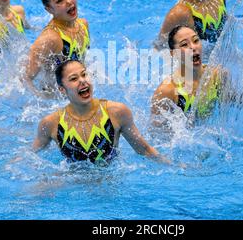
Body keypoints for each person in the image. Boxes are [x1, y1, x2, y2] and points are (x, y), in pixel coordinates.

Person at [33, 60, 169, 165]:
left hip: (109, 187)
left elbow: (144, 150)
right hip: (72, 187)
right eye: (74, 79)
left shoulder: (117, 112)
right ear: (62, 89)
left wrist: (174, 166)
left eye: (84, 74)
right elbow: (32, 155)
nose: (82, 81)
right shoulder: (51, 123)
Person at [151, 25, 230, 127]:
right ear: (174, 54)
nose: (193, 47)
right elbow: (157, 134)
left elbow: (232, 105)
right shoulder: (167, 91)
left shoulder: (217, 76)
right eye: (184, 44)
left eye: (196, 41)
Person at [25, 0, 90, 97]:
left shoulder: (83, 25)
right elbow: (25, 77)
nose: (69, 2)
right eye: (59, 1)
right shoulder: (50, 38)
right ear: (49, 9)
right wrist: (44, 100)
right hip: (56, 97)